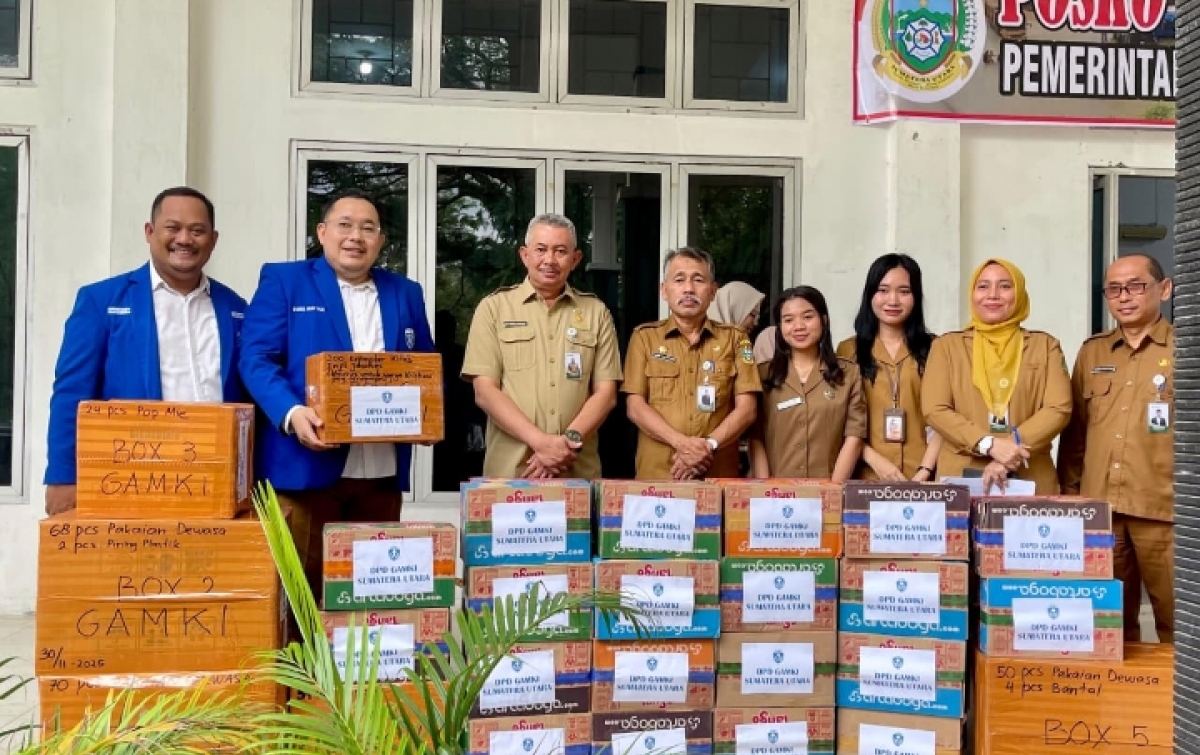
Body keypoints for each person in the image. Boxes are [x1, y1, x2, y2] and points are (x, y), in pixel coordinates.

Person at [238, 188, 435, 598]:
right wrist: (291, 413)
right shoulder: (285, 280)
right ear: (322, 232)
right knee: (297, 597)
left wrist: (431, 415)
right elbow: (255, 359)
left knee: (372, 593)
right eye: (345, 225)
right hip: (305, 470)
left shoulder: (406, 291)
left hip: (380, 473)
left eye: (368, 228)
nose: (355, 237)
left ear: (381, 241)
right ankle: (301, 667)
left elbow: (426, 368)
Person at [44, 187, 247, 515]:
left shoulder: (236, 308)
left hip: (216, 479)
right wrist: (63, 478)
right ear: (150, 232)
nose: (185, 239)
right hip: (129, 478)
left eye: (197, 231)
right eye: (173, 227)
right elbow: (71, 394)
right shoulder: (102, 301)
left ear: (213, 239)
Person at [1058, 253, 1175, 643]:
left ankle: (1179, 706)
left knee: (1179, 625)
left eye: (1136, 286)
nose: (1124, 297)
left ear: (1165, 288)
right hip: (1101, 513)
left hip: (1164, 512)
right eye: (1114, 289)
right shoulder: (1093, 353)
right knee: (1109, 629)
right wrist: (1072, 499)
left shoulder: (1185, 351)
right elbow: (1075, 436)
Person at [462, 214, 622, 479]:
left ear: (576, 259)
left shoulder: (596, 312)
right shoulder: (494, 309)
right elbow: (485, 392)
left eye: (561, 251)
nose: (550, 260)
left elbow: (606, 393)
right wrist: (541, 443)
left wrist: (566, 443)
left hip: (576, 470)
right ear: (524, 255)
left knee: (578, 524)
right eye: (541, 250)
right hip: (512, 471)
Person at [922, 258, 1071, 494]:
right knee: (965, 532)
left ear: (1019, 293)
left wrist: (1010, 449)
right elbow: (935, 409)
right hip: (962, 476)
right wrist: (988, 444)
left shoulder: (1045, 346)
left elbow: (1058, 408)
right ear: (972, 294)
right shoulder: (947, 347)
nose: (993, 295)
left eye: (1004, 286)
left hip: (1029, 474)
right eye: (982, 286)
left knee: (1030, 531)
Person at [622, 248, 761, 480]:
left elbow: (747, 410)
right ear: (664, 290)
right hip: (658, 475)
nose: (688, 288)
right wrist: (683, 445)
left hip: (716, 475)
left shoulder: (735, 339)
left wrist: (707, 446)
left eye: (698, 280)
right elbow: (635, 406)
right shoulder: (644, 338)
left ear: (713, 291)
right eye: (679, 280)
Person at [836, 254, 942, 481]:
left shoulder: (936, 348)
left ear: (915, 296)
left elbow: (945, 416)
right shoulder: (848, 350)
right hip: (867, 476)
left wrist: (924, 471)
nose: (892, 301)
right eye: (883, 290)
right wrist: (876, 461)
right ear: (870, 294)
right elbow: (841, 421)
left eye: (904, 291)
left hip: (924, 477)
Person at [750, 286, 866, 480]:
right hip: (777, 493)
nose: (798, 326)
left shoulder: (848, 374)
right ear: (780, 327)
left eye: (807, 317)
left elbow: (854, 437)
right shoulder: (763, 375)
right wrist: (765, 489)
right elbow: (756, 438)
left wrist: (833, 490)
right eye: (788, 320)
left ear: (824, 320)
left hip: (829, 489)